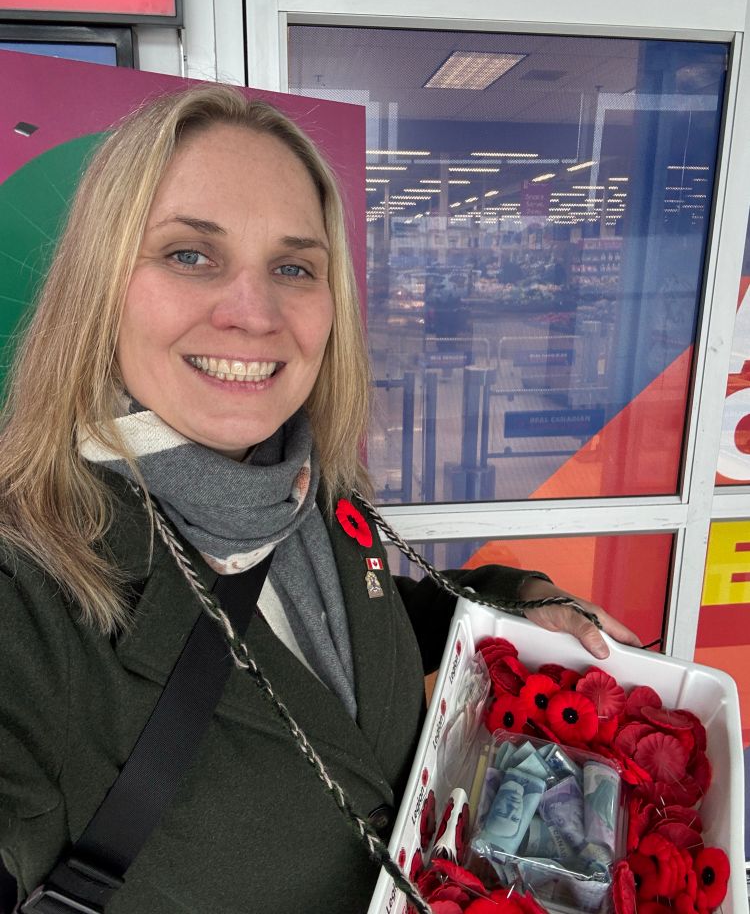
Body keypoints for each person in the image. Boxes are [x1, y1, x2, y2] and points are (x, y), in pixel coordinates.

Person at [0, 85, 640, 914]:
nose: (254, 314)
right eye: (191, 255)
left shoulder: (313, 485)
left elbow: (358, 635)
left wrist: (517, 603)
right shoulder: (25, 596)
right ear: (98, 284)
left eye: (294, 267)